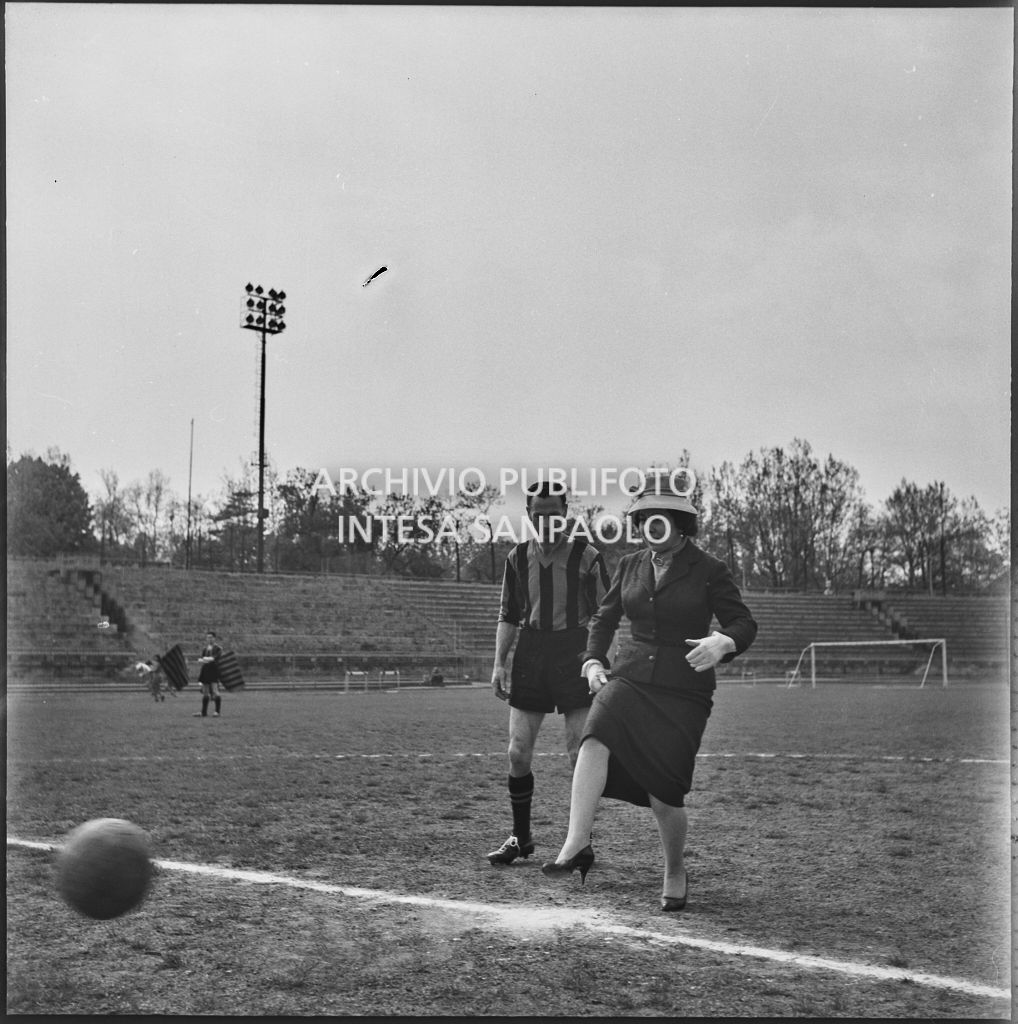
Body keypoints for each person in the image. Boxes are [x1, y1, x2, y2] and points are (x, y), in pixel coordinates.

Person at [541, 474, 757, 911]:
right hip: (630, 677)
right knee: (595, 733)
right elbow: (603, 619)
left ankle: (675, 869)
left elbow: (744, 624)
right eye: (640, 520)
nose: (646, 527)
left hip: (684, 691)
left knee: (665, 792)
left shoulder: (710, 570)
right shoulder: (630, 565)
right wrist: (592, 661)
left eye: (656, 519)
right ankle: (576, 840)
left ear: (678, 523)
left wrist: (723, 642)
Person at [487, 482, 612, 866]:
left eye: (553, 514)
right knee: (517, 752)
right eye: (538, 514)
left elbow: (606, 614)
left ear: (565, 514)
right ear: (529, 514)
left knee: (579, 752)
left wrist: (600, 661)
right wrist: (499, 663)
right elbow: (508, 615)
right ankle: (520, 837)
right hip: (532, 652)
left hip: (575, 651)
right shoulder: (517, 557)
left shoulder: (586, 556)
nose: (546, 521)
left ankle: (581, 843)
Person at [195, 631, 223, 717]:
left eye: (211, 637)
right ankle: (204, 712)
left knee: (215, 690)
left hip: (213, 670)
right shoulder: (205, 649)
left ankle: (217, 712)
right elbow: (202, 659)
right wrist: (203, 660)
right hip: (205, 670)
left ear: (214, 638)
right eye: (208, 637)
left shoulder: (218, 648)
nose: (209, 639)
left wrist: (204, 659)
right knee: (205, 692)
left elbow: (213, 658)